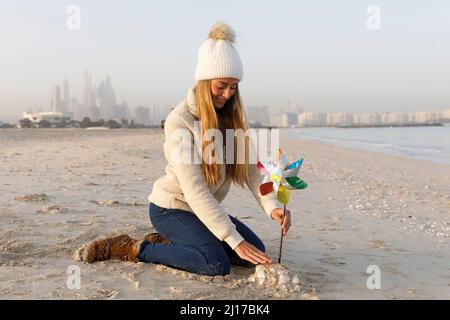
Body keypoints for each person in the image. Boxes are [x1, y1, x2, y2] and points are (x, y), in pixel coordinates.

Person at [79, 21, 292, 276]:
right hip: (172, 207)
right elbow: (195, 190)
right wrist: (233, 239)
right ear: (204, 82)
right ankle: (134, 247)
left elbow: (251, 172)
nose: (227, 94)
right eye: (221, 85)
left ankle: (174, 243)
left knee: (254, 253)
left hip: (201, 210)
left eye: (233, 86)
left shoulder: (232, 119)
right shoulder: (180, 121)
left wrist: (273, 206)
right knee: (215, 264)